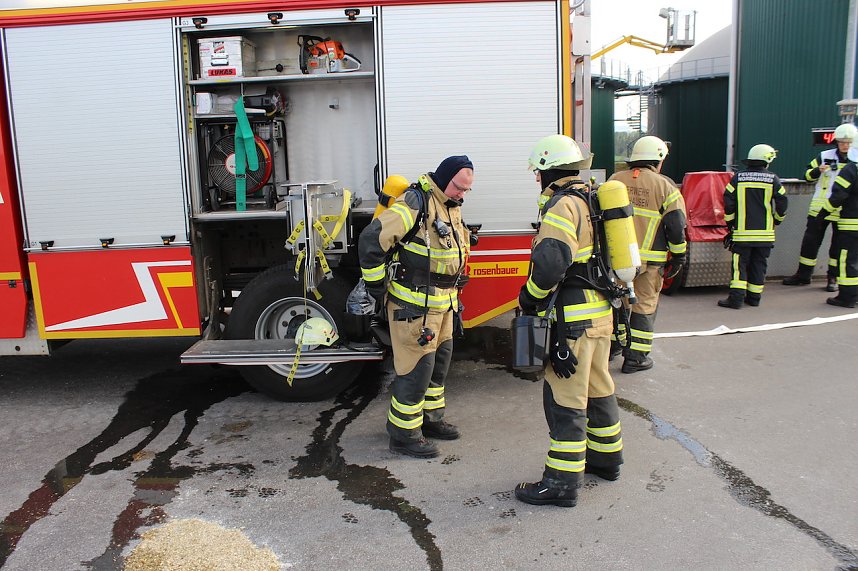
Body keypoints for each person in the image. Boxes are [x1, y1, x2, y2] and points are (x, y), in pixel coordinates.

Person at [515, 135, 623, 508]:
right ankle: (607, 461)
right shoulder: (594, 199)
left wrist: (530, 298)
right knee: (599, 388)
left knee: (565, 401)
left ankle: (561, 484)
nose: (537, 180)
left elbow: (549, 264)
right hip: (601, 314)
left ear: (549, 170)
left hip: (572, 321)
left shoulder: (563, 206)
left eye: (538, 173)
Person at [358, 156, 472, 458]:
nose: (462, 194)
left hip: (443, 305)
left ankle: (430, 421)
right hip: (414, 307)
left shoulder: (450, 205)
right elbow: (372, 240)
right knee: (416, 370)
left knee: (438, 366)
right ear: (444, 179)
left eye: (466, 191)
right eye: (459, 188)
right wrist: (376, 286)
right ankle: (404, 435)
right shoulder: (415, 203)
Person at [607, 136, 687, 374]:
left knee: (615, 302)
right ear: (658, 159)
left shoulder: (614, 180)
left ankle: (612, 347)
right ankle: (636, 359)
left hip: (616, 259)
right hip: (649, 262)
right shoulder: (665, 186)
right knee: (644, 307)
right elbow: (676, 226)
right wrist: (679, 257)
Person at [783, 123, 858, 291]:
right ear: (836, 142)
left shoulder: (856, 160)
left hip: (843, 210)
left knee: (838, 246)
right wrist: (817, 170)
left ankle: (833, 278)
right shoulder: (824, 155)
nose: (845, 145)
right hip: (819, 207)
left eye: (848, 142)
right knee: (810, 242)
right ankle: (803, 275)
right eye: (841, 142)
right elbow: (807, 176)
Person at [718, 144, 788, 309]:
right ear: (767, 160)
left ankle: (736, 300)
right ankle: (754, 297)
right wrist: (777, 220)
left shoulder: (738, 178)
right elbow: (783, 202)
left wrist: (731, 223)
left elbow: (728, 201)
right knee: (759, 264)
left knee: (739, 265)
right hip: (765, 235)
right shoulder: (773, 179)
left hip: (743, 233)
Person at [819, 146, 858, 308]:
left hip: (852, 225)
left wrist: (822, 213)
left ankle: (847, 297)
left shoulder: (851, 169)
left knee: (847, 261)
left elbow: (839, 195)